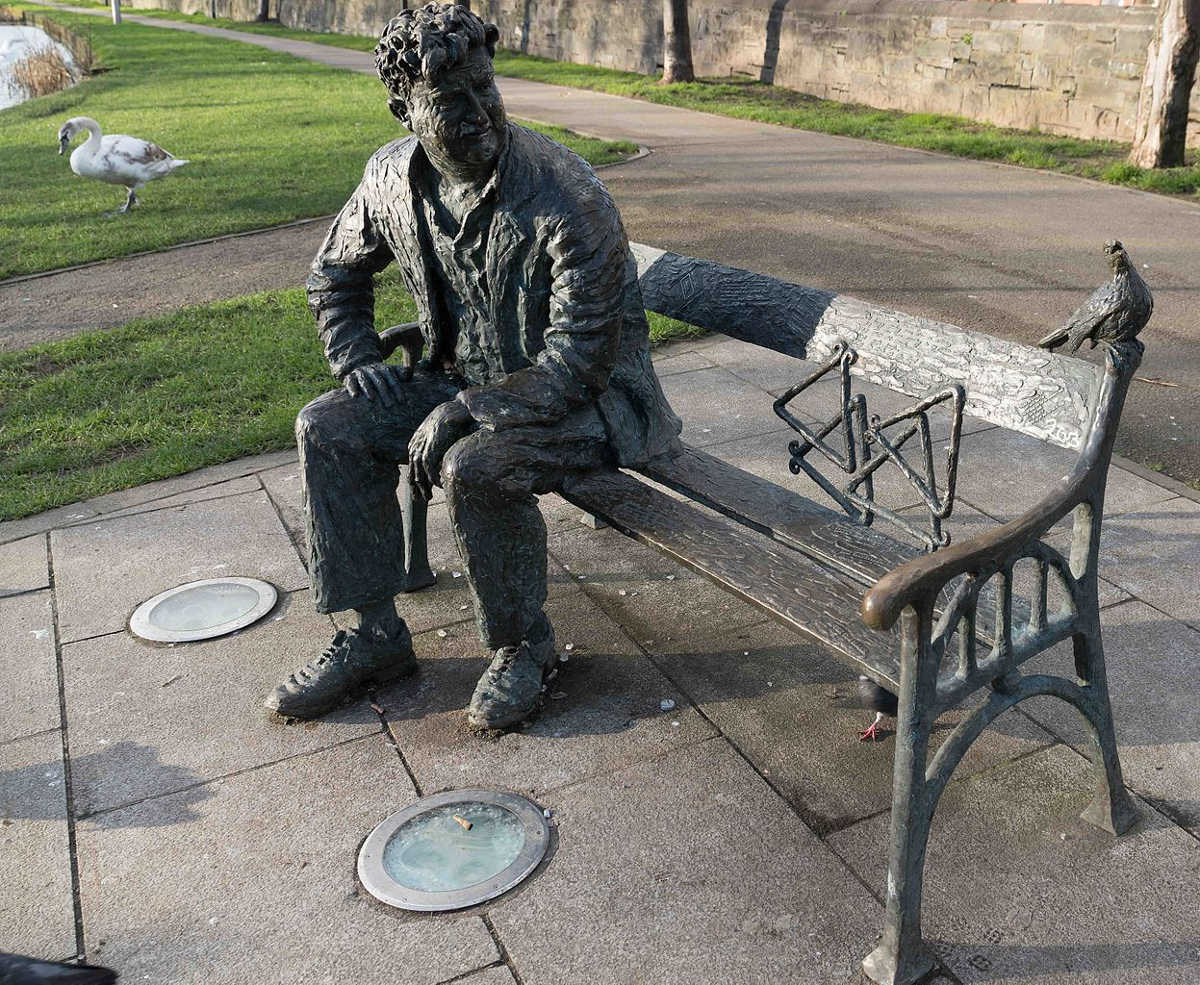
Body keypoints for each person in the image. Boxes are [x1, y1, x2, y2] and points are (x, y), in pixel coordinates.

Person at [265, 2, 681, 729]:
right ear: (405, 110)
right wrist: (356, 355)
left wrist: (462, 411)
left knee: (475, 465)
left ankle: (525, 645)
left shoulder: (566, 196)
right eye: (451, 100)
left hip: (593, 401)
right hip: (462, 375)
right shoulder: (390, 179)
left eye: (485, 88)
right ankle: (374, 635)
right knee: (327, 425)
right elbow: (334, 273)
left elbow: (580, 361)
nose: (480, 112)